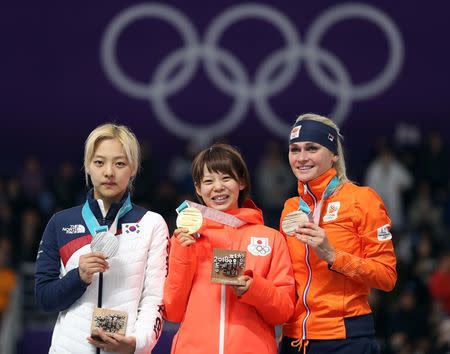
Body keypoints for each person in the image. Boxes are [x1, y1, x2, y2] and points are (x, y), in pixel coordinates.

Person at [35, 123, 169, 354]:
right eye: (99, 162)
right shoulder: (61, 222)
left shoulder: (151, 224)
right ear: (87, 166)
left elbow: (155, 301)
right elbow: (45, 299)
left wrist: (136, 343)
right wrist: (78, 276)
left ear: (134, 168)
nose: (109, 172)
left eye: (119, 163)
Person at [279, 113, 397, 354]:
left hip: (345, 339)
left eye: (312, 148)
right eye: (295, 149)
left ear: (334, 155)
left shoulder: (361, 199)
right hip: (293, 340)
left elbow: (387, 277)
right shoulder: (290, 208)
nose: (301, 158)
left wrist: (333, 256)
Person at [163, 143, 295, 354]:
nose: (218, 187)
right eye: (208, 181)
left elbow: (283, 312)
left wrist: (254, 288)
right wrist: (182, 253)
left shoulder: (271, 239)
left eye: (226, 178)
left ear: (241, 182)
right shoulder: (186, 237)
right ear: (198, 188)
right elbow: (173, 312)